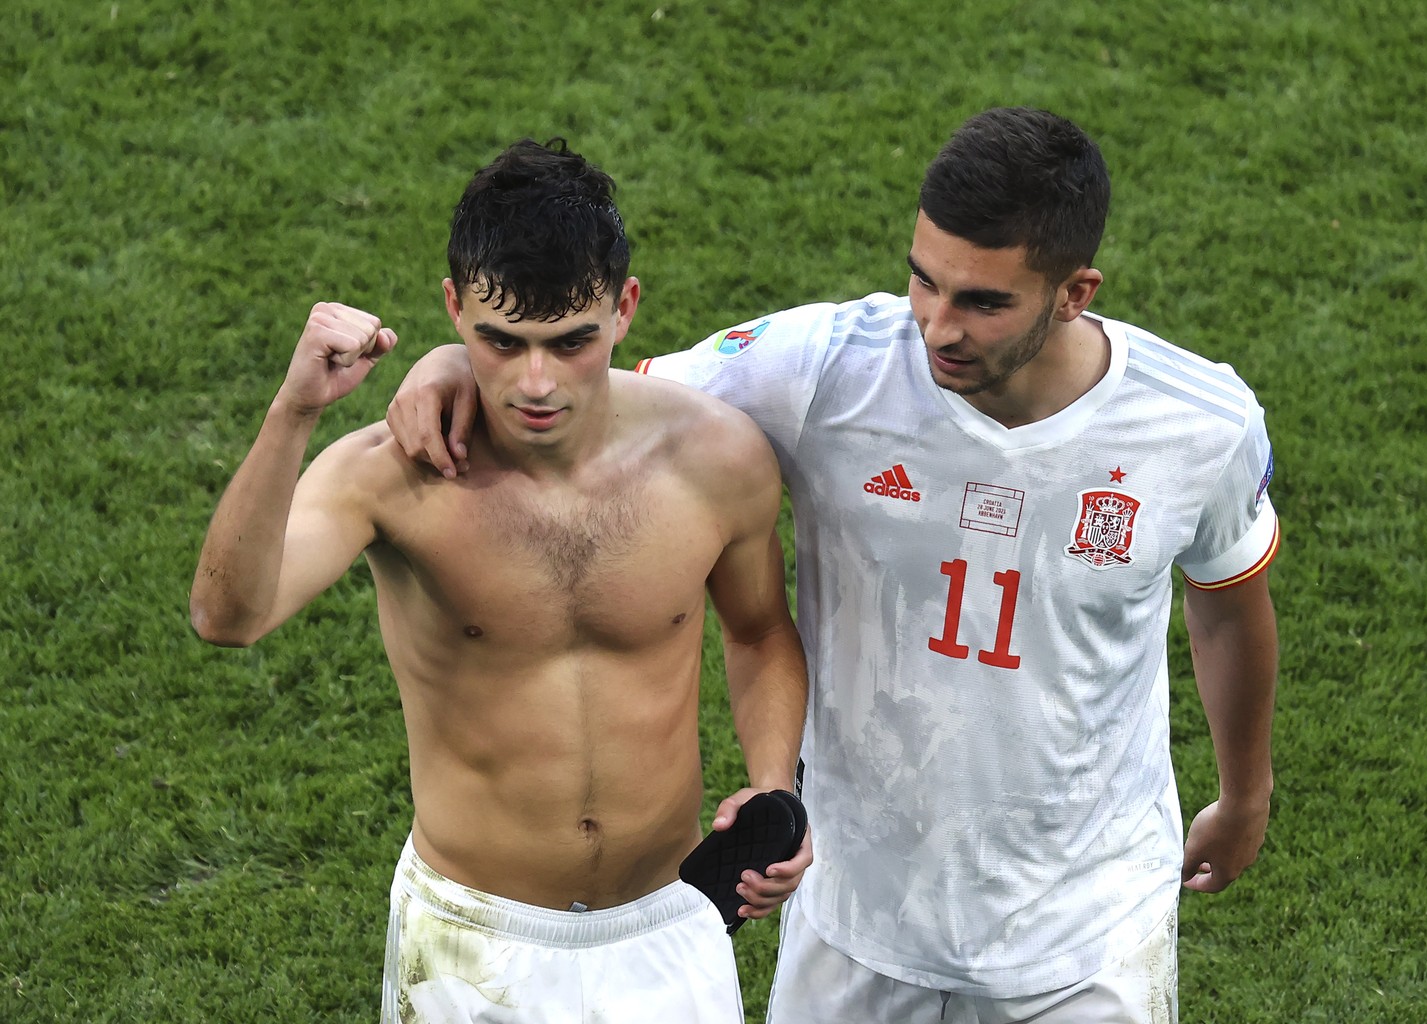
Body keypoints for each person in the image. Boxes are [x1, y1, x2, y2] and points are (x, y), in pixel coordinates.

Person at [386, 108, 1280, 1024]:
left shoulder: (1198, 423)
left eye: (982, 301)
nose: (937, 326)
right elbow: (593, 388)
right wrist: (455, 362)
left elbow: (1226, 604)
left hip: (1085, 933)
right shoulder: (826, 369)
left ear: (1074, 293)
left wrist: (1246, 795)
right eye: (923, 282)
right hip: (853, 914)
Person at [189, 138, 812, 1024]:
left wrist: (772, 780)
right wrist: (294, 412)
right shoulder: (392, 475)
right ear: (453, 308)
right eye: (499, 341)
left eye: (571, 343)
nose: (535, 383)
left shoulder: (718, 458)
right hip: (470, 942)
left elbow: (757, 632)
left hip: (669, 921)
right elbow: (227, 614)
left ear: (625, 307)